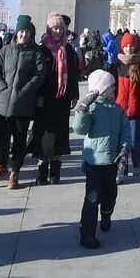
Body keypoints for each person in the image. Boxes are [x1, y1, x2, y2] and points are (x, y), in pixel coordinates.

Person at [0, 14, 48, 190]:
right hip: (1, 103)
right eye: (21, 31)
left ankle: (15, 171)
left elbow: (40, 75)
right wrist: (1, 88)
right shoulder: (5, 50)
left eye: (27, 31)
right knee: (0, 138)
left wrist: (25, 90)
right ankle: (0, 167)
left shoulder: (36, 52)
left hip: (22, 104)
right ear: (16, 32)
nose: (24, 35)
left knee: (19, 140)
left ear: (31, 33)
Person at [73, 68, 126, 248]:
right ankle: (87, 234)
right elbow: (79, 129)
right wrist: (82, 108)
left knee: (110, 194)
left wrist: (125, 149)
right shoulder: (92, 108)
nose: (114, 89)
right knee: (92, 197)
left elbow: (126, 132)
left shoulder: (118, 109)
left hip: (112, 160)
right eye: (111, 86)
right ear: (102, 88)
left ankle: (106, 213)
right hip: (93, 161)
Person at [33, 13, 81, 185]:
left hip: (62, 98)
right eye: (54, 28)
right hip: (45, 98)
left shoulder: (68, 49)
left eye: (60, 28)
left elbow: (74, 74)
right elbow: (36, 74)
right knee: (43, 134)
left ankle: (55, 168)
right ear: (49, 29)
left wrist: (74, 94)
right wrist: (37, 94)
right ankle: (42, 168)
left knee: (59, 135)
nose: (57, 31)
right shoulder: (42, 49)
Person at [112, 31, 140, 181]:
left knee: (134, 141)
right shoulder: (116, 65)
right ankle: (122, 171)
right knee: (121, 143)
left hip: (135, 111)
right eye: (126, 46)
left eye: (132, 46)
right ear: (122, 47)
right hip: (119, 109)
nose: (129, 49)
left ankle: (137, 162)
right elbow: (111, 87)